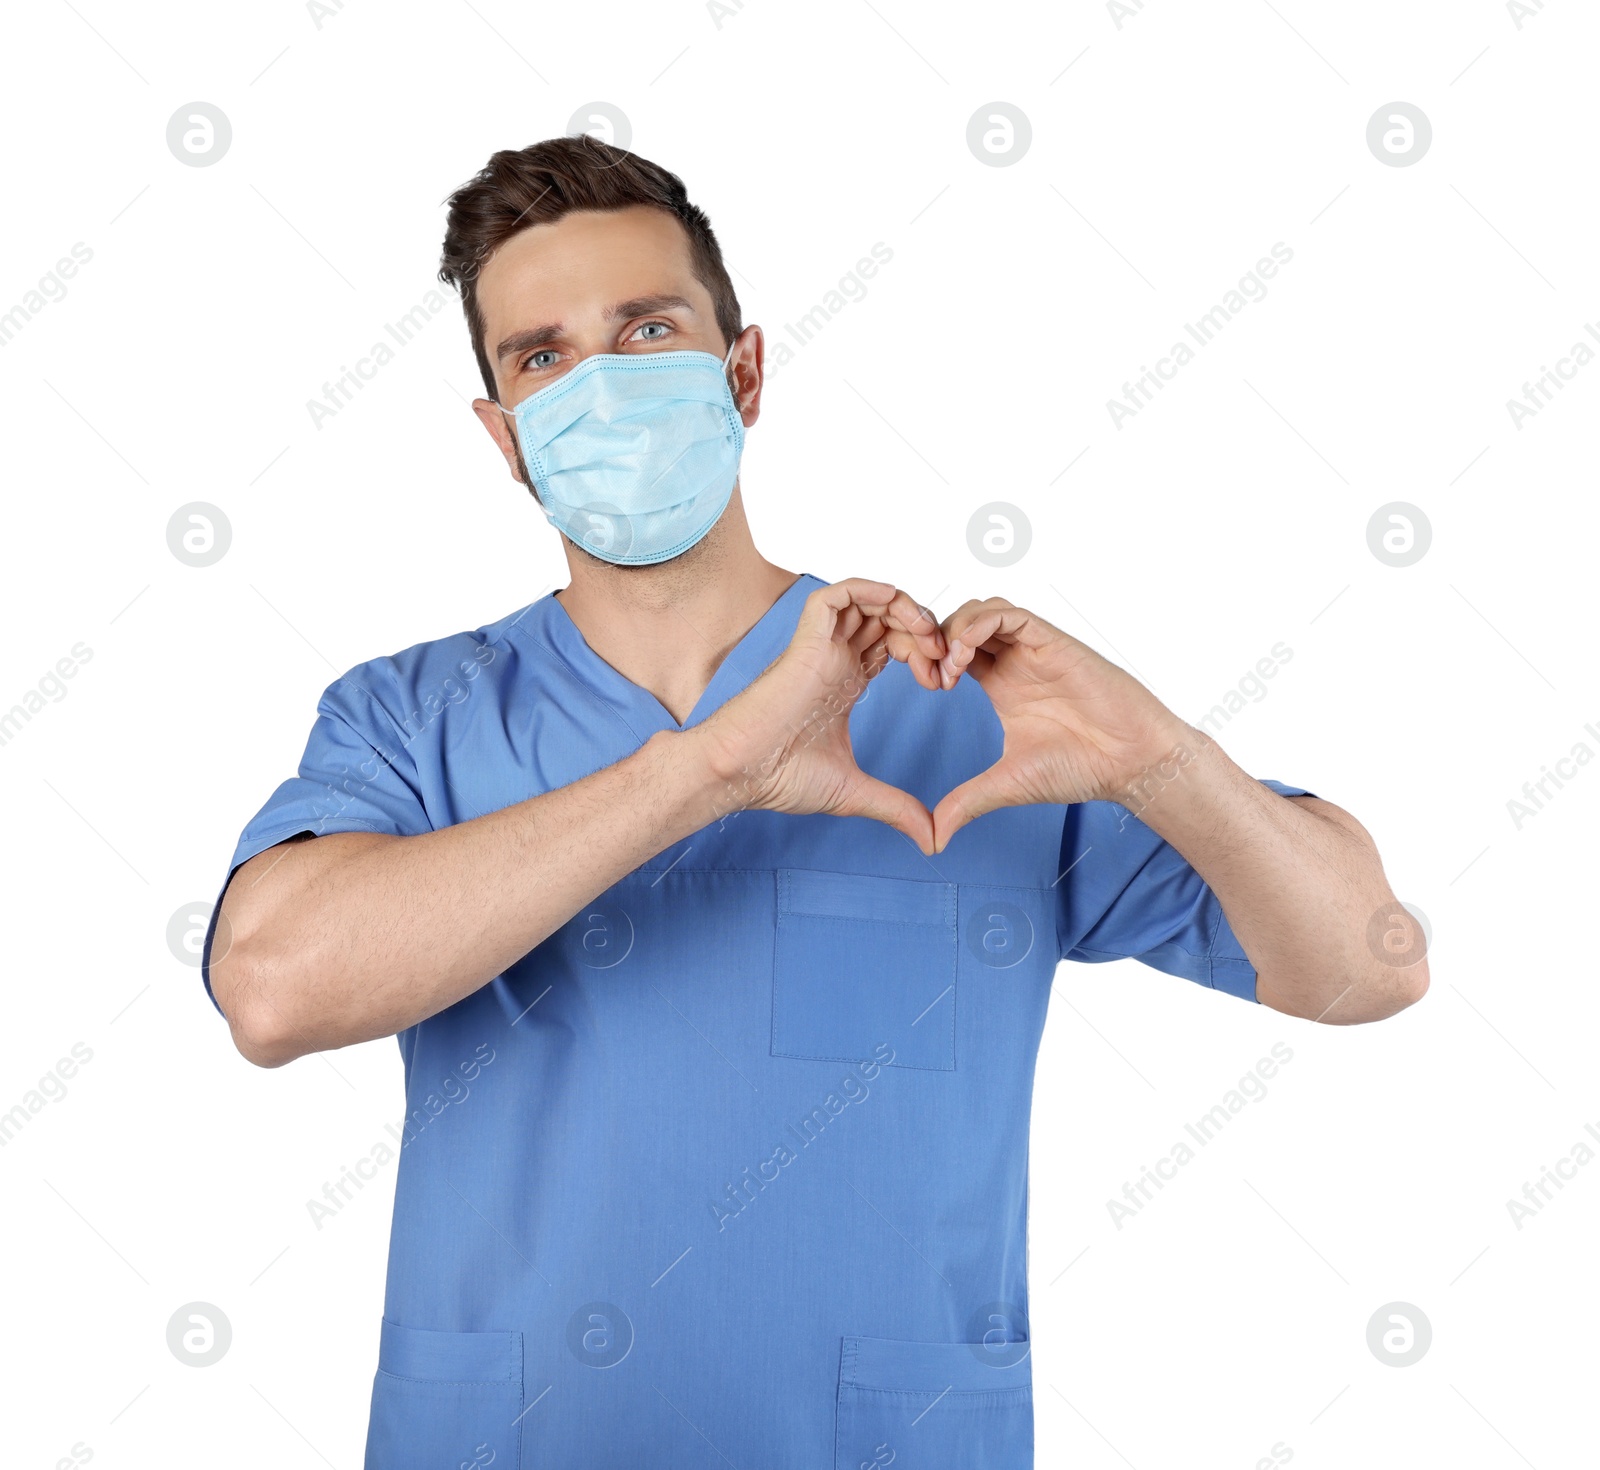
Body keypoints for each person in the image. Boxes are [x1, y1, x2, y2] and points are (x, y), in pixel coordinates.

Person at [202, 134, 1427, 1470]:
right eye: (542, 357)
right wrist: (708, 766)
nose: (600, 386)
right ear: (505, 438)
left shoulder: (964, 707)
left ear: (744, 371)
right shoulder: (417, 718)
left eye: (647, 329)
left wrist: (1162, 757)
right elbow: (270, 987)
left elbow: (1369, 964)